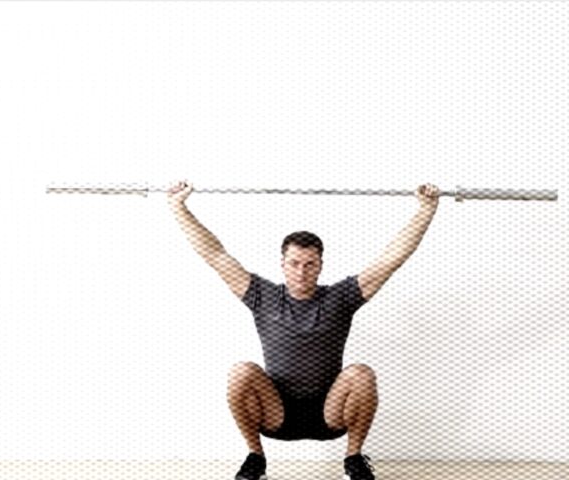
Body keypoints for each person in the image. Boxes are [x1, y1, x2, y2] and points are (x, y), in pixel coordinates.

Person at [168, 181, 439, 480]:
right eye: (294, 263)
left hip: (330, 411)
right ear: (282, 264)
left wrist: (426, 210)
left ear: (321, 265)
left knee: (362, 374)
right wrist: (178, 207)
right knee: (240, 372)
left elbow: (391, 259)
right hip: (276, 411)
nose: (301, 271)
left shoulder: (341, 297)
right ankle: (255, 458)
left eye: (310, 264)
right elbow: (215, 255)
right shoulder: (262, 295)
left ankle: (353, 460)